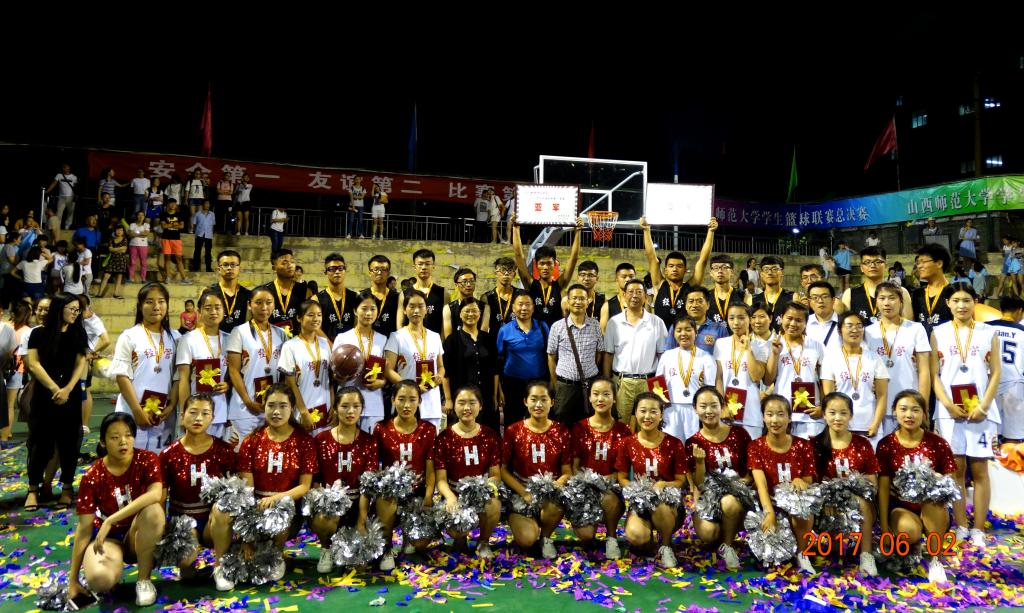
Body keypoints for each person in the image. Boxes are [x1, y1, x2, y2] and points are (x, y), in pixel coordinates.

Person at [68, 413, 165, 607]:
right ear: (103, 442)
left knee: (153, 511)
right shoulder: (92, 476)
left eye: (128, 435)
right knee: (99, 580)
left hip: (139, 533)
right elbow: (84, 529)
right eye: (115, 437)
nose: (123, 441)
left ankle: (144, 581)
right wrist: (73, 580)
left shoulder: (147, 459)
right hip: (109, 539)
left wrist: (110, 519)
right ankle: (113, 570)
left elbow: (155, 494)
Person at [930, 282, 1000, 548]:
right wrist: (947, 405)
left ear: (975, 302)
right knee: (955, 470)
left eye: (967, 300)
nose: (961, 305)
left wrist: (984, 406)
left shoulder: (988, 332)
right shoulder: (938, 332)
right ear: (948, 304)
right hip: (950, 412)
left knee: (980, 470)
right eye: (956, 301)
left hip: (981, 411)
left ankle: (979, 528)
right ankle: (960, 525)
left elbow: (996, 373)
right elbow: (934, 374)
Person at [236, 383, 316, 582]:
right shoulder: (251, 441)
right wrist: (246, 535)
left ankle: (276, 554)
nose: (276, 412)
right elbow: (247, 490)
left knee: (281, 509)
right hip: (256, 509)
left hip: (288, 510)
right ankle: (254, 544)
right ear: (264, 408)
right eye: (271, 406)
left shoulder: (304, 441)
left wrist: (277, 499)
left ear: (292, 409)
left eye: (283, 406)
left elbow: (304, 486)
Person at [876, 390, 956, 583]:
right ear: (894, 412)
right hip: (901, 507)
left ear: (925, 414)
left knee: (933, 502)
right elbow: (883, 488)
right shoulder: (886, 444)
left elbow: (950, 484)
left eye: (915, 410)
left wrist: (937, 479)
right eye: (903, 409)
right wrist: (885, 528)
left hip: (933, 507)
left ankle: (936, 560)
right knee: (908, 532)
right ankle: (912, 545)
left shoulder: (938, 443)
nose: (909, 415)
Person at [159, 393, 237, 589]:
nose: (198, 418)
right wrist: (162, 529)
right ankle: (189, 568)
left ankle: (220, 567)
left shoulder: (224, 451)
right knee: (186, 565)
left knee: (224, 508)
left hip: (214, 521)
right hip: (184, 521)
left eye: (205, 413)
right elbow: (161, 498)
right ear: (182, 415)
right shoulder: (168, 455)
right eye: (193, 412)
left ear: (212, 418)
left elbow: (237, 495)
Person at [23, 292, 88, 511]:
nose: (75, 313)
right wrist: (54, 388)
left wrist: (68, 389)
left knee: (69, 443)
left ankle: (67, 488)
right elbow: (33, 364)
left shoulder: (78, 333)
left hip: (69, 396)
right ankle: (33, 489)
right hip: (45, 395)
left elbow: (80, 363)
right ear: (60, 308)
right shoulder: (38, 334)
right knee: (40, 443)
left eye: (78, 310)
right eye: (72, 309)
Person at [615, 392, 688, 568]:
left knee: (660, 505)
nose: (647, 416)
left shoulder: (674, 443)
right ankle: (648, 542)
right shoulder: (627, 443)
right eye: (643, 411)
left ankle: (666, 545)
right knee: (636, 536)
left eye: (653, 411)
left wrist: (664, 485)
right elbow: (622, 478)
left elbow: (681, 481)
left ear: (661, 414)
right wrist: (637, 490)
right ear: (636, 413)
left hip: (668, 505)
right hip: (640, 502)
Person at [811, 392, 880, 576]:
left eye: (843, 413)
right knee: (836, 549)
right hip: (826, 508)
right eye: (832, 412)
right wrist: (829, 500)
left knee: (862, 501)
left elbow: (873, 484)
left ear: (851, 415)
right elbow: (811, 485)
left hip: (858, 508)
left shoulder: (862, 444)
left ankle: (866, 555)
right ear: (824, 415)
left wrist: (849, 494)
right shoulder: (814, 445)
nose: (837, 418)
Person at [747, 394, 818, 574]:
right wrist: (769, 513)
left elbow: (808, 482)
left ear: (789, 417)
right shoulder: (755, 446)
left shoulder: (803, 445)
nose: (775, 420)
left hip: (794, 504)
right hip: (768, 504)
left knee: (803, 507)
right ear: (763, 417)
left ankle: (802, 553)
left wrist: (800, 481)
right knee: (773, 558)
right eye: (769, 414)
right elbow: (761, 485)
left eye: (780, 414)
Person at [501, 380, 571, 559]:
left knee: (556, 503)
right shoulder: (513, 430)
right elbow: (503, 470)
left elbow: (567, 471)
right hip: (521, 493)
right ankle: (526, 526)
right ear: (525, 401)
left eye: (543, 399)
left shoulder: (561, 431)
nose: (538, 404)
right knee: (526, 540)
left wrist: (556, 485)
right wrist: (523, 492)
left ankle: (545, 537)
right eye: (533, 399)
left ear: (552, 402)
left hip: (549, 494)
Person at [310, 387, 376, 573]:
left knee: (360, 567)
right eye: (345, 406)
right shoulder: (321, 439)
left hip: (359, 506)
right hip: (330, 507)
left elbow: (368, 486)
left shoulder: (369, 441)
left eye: (356, 406)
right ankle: (326, 549)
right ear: (335, 409)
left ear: (362, 409)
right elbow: (315, 481)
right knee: (325, 517)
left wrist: (361, 522)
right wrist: (319, 505)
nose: (350, 411)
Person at [372, 380, 438, 569]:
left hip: (417, 492)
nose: (406, 405)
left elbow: (430, 468)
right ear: (393, 400)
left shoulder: (428, 429)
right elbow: (374, 467)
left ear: (420, 401)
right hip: (390, 493)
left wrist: (428, 496)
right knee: (386, 501)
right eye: (401, 399)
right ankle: (386, 547)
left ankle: (410, 536)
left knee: (421, 542)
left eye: (412, 399)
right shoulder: (381, 428)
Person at [687, 386, 752, 571]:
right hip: (710, 499)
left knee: (729, 502)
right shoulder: (693, 442)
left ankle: (728, 545)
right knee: (708, 534)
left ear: (722, 407)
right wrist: (700, 462)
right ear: (695, 409)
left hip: (739, 496)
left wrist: (738, 485)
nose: (709, 411)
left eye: (714, 405)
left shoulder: (739, 434)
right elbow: (700, 484)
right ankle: (721, 531)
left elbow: (751, 472)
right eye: (703, 406)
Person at [433, 385, 502, 558]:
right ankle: (459, 539)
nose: (467, 408)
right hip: (455, 493)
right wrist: (450, 497)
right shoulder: (444, 437)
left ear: (481, 406)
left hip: (480, 493)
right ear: (453, 405)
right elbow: (440, 479)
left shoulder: (490, 435)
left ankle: (483, 542)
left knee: (493, 503)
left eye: (472, 403)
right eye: (461, 403)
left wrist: (485, 487)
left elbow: (495, 475)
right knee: (455, 527)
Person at [111, 283, 180, 451]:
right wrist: (137, 411)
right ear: (140, 305)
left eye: (161, 301)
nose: (156, 306)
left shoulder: (176, 337)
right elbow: (122, 376)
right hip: (132, 411)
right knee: (130, 459)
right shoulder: (129, 336)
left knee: (160, 460)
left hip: (164, 414)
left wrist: (171, 406)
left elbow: (179, 376)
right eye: (149, 301)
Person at [572, 376, 632, 558]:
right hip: (583, 488)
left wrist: (603, 481)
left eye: (606, 394)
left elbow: (622, 472)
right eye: (596, 394)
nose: (600, 399)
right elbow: (574, 467)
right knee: (586, 536)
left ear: (614, 398)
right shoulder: (579, 428)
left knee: (608, 499)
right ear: (589, 398)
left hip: (610, 488)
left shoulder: (623, 430)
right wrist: (585, 483)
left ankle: (611, 538)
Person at [864, 282, 932, 435]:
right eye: (882, 298)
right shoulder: (867, 332)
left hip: (909, 405)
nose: (887, 303)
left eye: (892, 298)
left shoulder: (915, 329)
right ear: (876, 302)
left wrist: (923, 406)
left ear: (901, 301)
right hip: (876, 406)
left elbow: (924, 371)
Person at [227, 287, 289, 441]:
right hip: (244, 408)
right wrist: (248, 401)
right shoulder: (239, 332)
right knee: (243, 452)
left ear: (274, 305)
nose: (264, 307)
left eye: (268, 302)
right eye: (258, 302)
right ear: (249, 305)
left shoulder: (281, 334)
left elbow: (285, 372)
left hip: (273, 408)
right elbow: (233, 370)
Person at [604, 279, 669, 424]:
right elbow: (608, 354)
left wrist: (661, 387)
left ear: (645, 297)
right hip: (622, 382)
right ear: (624, 296)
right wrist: (608, 382)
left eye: (639, 292)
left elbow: (662, 356)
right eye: (631, 292)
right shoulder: (614, 322)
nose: (634, 295)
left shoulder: (656, 322)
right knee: (622, 424)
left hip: (648, 382)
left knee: (647, 423)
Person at [820, 312, 889, 448]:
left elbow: (882, 396)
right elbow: (829, 396)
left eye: (859, 326)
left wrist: (876, 423)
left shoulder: (874, 358)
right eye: (849, 326)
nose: (855, 330)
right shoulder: (831, 358)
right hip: (841, 424)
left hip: (869, 425)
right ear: (840, 331)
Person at [642, 216, 717, 331]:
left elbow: (703, 261)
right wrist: (646, 230)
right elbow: (652, 257)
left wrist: (711, 232)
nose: (675, 269)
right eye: (671, 266)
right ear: (665, 270)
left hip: (684, 337)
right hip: (661, 338)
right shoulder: (659, 284)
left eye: (679, 266)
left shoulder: (690, 287)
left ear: (685, 269)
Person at [175, 291, 232, 440]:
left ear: (224, 311)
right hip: (196, 412)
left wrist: (228, 384)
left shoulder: (231, 339)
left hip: (221, 411)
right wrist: (184, 413)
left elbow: (235, 374)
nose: (213, 312)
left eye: (217, 307)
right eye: (208, 308)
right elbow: (183, 379)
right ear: (199, 311)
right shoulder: (188, 340)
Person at [384, 290, 446, 428]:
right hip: (406, 401)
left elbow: (441, 366)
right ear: (405, 310)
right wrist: (412, 388)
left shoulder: (435, 336)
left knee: (430, 440)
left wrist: (440, 376)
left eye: (420, 306)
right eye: (411, 306)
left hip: (431, 402)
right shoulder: (396, 337)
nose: (416, 310)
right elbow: (388, 370)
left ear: (426, 309)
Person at [764, 302, 826, 439]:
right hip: (782, 413)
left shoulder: (816, 346)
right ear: (781, 318)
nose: (793, 323)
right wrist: (774, 354)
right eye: (789, 318)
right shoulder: (772, 344)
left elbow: (824, 380)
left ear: (806, 323)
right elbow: (768, 380)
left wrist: (823, 406)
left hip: (811, 414)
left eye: (799, 320)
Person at [512, 214, 585, 329]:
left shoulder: (560, 284)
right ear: (536, 265)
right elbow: (518, 256)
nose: (545, 267)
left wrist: (578, 231)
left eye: (549, 263)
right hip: (536, 336)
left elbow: (574, 258)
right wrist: (515, 228)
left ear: (554, 264)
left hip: (555, 336)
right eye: (542, 263)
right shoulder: (531, 284)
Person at [547, 284, 603, 426]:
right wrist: (555, 384)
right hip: (565, 387)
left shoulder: (595, 325)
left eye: (582, 299)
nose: (578, 302)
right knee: (562, 425)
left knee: (588, 425)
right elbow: (551, 357)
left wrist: (589, 369)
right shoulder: (557, 326)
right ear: (568, 301)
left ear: (588, 301)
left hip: (590, 385)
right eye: (574, 298)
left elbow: (599, 352)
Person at [333, 291, 389, 432]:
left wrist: (382, 382)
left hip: (373, 404)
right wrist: (340, 376)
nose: (368, 313)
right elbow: (333, 372)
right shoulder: (342, 338)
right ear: (355, 311)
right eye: (364, 309)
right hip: (347, 403)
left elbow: (387, 372)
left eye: (373, 309)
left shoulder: (383, 339)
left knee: (371, 444)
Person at [442, 297, 500, 433]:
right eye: (467, 311)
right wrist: (448, 399)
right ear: (460, 315)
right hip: (461, 397)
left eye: (474, 311)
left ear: (479, 314)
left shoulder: (488, 338)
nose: (471, 314)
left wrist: (495, 395)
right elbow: (446, 372)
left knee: (488, 432)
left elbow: (495, 369)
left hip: (485, 395)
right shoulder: (452, 340)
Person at [656, 316, 718, 441]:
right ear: (674, 334)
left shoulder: (706, 357)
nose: (683, 334)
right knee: (672, 444)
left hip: (695, 410)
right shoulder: (667, 356)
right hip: (671, 410)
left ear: (696, 332)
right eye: (679, 330)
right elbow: (657, 385)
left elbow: (710, 389)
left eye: (688, 330)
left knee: (694, 444)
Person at [714, 303, 769, 439]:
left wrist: (748, 349)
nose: (736, 322)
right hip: (726, 412)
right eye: (731, 318)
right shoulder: (721, 344)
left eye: (741, 318)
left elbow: (756, 377)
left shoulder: (761, 346)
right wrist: (721, 406)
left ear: (750, 319)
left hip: (751, 411)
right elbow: (718, 378)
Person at [496, 293, 550, 428]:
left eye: (528, 304)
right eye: (520, 304)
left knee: (538, 420)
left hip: (538, 382)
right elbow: (498, 359)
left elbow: (550, 355)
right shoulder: (504, 330)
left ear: (533, 307)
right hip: (512, 384)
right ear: (513, 308)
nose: (524, 308)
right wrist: (499, 388)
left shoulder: (543, 327)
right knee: (512, 421)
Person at [279, 301, 333, 431]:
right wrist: (303, 412)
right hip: (302, 410)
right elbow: (290, 383)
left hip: (325, 408)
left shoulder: (326, 343)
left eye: (319, 315)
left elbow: (331, 379)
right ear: (299, 318)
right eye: (311, 315)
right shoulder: (290, 346)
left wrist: (333, 406)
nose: (316, 319)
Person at [841, 247, 914, 323]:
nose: (872, 265)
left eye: (878, 262)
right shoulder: (850, 294)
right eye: (867, 262)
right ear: (861, 267)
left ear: (885, 266)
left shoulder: (901, 292)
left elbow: (908, 326)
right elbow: (845, 326)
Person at [989, 296, 1024, 443]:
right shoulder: (1022, 331)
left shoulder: (984, 328)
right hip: (1015, 386)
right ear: (1020, 311)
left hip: (989, 385)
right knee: (1013, 437)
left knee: (991, 435)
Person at [261, 249, 313, 337]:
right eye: (284, 263)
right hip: (270, 340)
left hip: (297, 340)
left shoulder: (304, 290)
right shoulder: (265, 291)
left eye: (292, 262)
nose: (290, 265)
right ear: (274, 268)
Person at [911, 243, 954, 331]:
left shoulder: (953, 293)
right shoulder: (917, 294)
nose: (919, 266)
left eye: (923, 262)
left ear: (939, 263)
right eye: (918, 263)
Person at [404, 249, 447, 334]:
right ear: (414, 267)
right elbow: (400, 322)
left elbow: (445, 323)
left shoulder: (443, 293)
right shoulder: (404, 294)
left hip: (434, 341)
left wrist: (441, 340)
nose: (424, 267)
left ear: (433, 266)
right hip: (410, 340)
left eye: (427, 264)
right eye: (420, 264)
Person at [209, 250, 251, 334]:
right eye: (225, 265)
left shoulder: (248, 294)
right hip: (215, 339)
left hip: (240, 339)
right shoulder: (209, 293)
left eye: (233, 265)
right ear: (218, 269)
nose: (229, 268)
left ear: (239, 269)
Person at [442, 268, 490, 339]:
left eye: (471, 281)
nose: (468, 285)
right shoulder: (448, 308)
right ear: (456, 285)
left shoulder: (484, 307)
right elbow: (448, 338)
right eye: (464, 282)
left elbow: (483, 336)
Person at [482, 256, 525, 334]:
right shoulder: (487, 297)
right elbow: (484, 327)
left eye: (510, 270)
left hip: (516, 339)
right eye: (503, 270)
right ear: (496, 273)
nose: (506, 273)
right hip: (494, 339)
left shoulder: (521, 295)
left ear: (514, 274)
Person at [751, 256, 794, 332]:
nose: (770, 273)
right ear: (761, 274)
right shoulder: (753, 300)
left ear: (782, 272)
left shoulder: (792, 297)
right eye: (766, 269)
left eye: (774, 269)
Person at [365, 254, 404, 339]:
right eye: (376, 269)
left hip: (390, 343)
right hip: (367, 343)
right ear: (370, 273)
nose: (379, 273)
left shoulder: (397, 297)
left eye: (383, 270)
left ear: (388, 273)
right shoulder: (363, 296)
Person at [707, 255, 748, 330]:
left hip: (736, 336)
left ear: (732, 272)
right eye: (716, 268)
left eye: (724, 267)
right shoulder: (706, 296)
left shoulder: (743, 295)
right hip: (712, 337)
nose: (720, 271)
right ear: (711, 273)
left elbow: (748, 321)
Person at [599, 262, 638, 333]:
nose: (628, 279)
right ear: (617, 280)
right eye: (624, 277)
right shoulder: (608, 306)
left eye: (631, 276)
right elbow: (603, 332)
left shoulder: (642, 302)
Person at [160, 200, 190, 284]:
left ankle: (184, 278)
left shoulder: (179, 214)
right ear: (168, 205)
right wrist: (175, 225)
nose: (173, 205)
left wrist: (169, 225)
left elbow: (182, 226)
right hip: (166, 238)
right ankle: (167, 277)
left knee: (179, 259)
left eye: (174, 204)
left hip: (176, 239)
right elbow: (163, 226)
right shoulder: (163, 214)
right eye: (171, 203)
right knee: (167, 258)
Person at [97, 225, 128, 298]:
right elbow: (110, 249)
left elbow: (124, 250)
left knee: (119, 277)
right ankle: (99, 293)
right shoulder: (111, 239)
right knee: (106, 276)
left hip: (121, 260)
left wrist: (115, 249)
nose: (119, 231)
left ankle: (116, 293)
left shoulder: (124, 239)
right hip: (112, 259)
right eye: (117, 230)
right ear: (115, 231)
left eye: (121, 230)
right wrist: (119, 248)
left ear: (123, 231)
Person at [45, 163, 77, 230]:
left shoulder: (74, 177)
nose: (65, 168)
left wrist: (75, 196)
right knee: (59, 213)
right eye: (64, 167)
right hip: (61, 197)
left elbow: (76, 187)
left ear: (69, 168)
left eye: (66, 167)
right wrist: (47, 191)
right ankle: (57, 226)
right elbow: (54, 184)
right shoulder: (59, 175)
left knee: (70, 213)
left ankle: (67, 226)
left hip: (70, 197)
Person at [191, 201, 215, 273]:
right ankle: (195, 267)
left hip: (208, 235)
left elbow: (212, 225)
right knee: (197, 251)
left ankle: (208, 268)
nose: (207, 205)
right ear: (202, 205)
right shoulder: (197, 214)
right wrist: (196, 232)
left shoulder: (212, 214)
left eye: (208, 204)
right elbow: (194, 224)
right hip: (199, 234)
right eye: (206, 203)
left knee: (208, 252)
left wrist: (211, 234)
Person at [128, 211, 151, 284]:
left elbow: (146, 234)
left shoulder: (146, 225)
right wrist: (141, 233)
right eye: (139, 215)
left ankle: (143, 278)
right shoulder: (132, 224)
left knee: (143, 262)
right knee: (132, 262)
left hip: (143, 245)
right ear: (136, 216)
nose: (141, 217)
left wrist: (136, 233)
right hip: (133, 245)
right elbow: (130, 234)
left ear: (144, 217)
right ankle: (131, 277)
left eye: (142, 215)